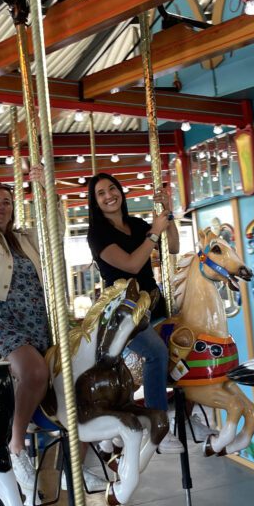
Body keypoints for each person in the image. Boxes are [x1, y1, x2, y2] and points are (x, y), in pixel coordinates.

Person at [0, 108, 108, 493]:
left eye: (7, 201)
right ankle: (15, 445)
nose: (0, 205)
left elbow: (55, 227)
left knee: (78, 378)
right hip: (0, 320)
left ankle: (82, 455)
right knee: (35, 373)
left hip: (41, 319)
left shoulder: (25, 238)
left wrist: (44, 186)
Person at [86, 172, 180, 452]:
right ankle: (158, 423)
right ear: (95, 202)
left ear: (121, 192)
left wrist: (168, 216)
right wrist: (153, 232)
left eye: (112, 189)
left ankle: (192, 409)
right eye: (101, 193)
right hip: (123, 309)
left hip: (152, 302)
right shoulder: (98, 233)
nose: (108, 196)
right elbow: (129, 264)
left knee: (183, 345)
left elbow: (173, 247)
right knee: (156, 353)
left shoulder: (136, 224)